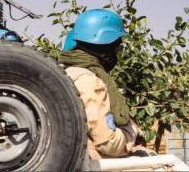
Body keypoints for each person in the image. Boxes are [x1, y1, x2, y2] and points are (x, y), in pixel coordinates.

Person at [58, 10, 140, 159]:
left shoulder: (64, 72)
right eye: (117, 47)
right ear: (106, 46)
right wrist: (132, 130)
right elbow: (109, 144)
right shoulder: (88, 80)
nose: (117, 53)